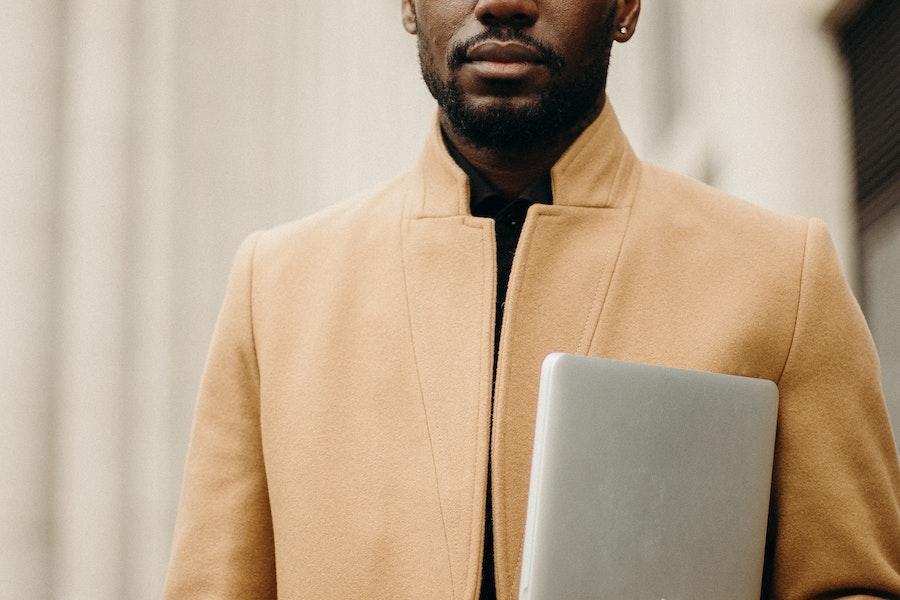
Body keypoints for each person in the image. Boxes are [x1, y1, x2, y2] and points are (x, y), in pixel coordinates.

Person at [163, 0, 900, 598]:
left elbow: (855, 586)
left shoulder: (779, 271)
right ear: (407, 6)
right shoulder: (276, 287)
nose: (504, 5)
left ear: (628, 8)